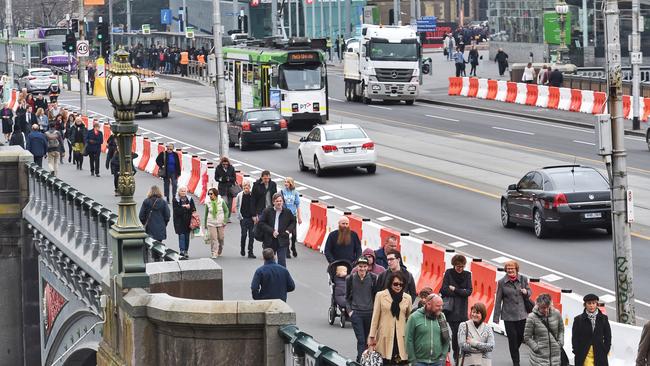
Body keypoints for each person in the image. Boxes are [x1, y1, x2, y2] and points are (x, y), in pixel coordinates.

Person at [493, 260, 533, 366]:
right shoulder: (502, 282)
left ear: (516, 269)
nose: (510, 270)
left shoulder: (523, 279)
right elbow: (498, 300)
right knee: (512, 339)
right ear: (506, 270)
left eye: (512, 268)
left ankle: (514, 350)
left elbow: (530, 292)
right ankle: (516, 362)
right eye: (508, 268)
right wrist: (496, 317)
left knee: (520, 337)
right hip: (508, 316)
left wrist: (526, 292)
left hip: (522, 315)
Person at [368, 271, 412, 365]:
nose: (398, 286)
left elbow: (410, 318)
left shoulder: (407, 298)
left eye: (401, 284)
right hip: (385, 336)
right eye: (395, 284)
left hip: (401, 337)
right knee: (386, 361)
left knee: (400, 362)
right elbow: (375, 317)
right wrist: (371, 336)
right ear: (390, 283)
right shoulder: (380, 295)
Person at [440, 254, 473, 364]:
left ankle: (458, 353)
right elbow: (443, 289)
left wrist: (455, 289)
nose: (460, 268)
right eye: (458, 266)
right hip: (451, 310)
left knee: (461, 333)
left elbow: (469, 291)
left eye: (462, 266)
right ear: (454, 265)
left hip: (462, 310)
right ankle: (456, 353)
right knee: (456, 332)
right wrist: (460, 292)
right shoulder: (449, 273)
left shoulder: (468, 275)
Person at [346, 256, 378, 362]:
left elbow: (376, 295)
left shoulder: (373, 278)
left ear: (368, 267)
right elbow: (347, 298)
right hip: (357, 314)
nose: (362, 269)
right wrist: (350, 312)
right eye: (360, 267)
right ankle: (361, 361)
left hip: (370, 313)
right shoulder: (350, 279)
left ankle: (363, 358)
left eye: (364, 266)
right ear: (357, 267)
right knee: (361, 339)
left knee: (368, 340)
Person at [405, 294, 452, 366]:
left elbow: (446, 338)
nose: (441, 308)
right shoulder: (414, 317)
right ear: (428, 304)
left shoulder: (442, 316)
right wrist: (412, 360)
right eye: (438, 306)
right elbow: (408, 339)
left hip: (437, 362)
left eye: (442, 305)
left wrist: (443, 357)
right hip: (419, 362)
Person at [524, 293, 565, 366]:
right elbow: (527, 337)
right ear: (538, 305)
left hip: (555, 356)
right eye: (543, 307)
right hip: (539, 358)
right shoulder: (532, 317)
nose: (546, 310)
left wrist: (560, 343)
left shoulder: (556, 314)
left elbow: (561, 330)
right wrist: (536, 348)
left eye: (547, 307)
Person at [257, 193, 296, 268]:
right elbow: (261, 223)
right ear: (273, 202)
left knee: (282, 262)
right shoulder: (267, 211)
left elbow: (293, 221)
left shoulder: (287, 212)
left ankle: (282, 278)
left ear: (283, 202)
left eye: (280, 201)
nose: (279, 203)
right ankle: (268, 278)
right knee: (269, 263)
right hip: (269, 240)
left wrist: (288, 231)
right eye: (277, 201)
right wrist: (272, 231)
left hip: (282, 240)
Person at [572, 294, 611, 366]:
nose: (591, 305)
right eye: (589, 303)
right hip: (584, 353)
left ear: (597, 304)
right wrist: (577, 351)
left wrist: (605, 349)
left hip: (599, 353)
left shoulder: (603, 318)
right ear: (585, 305)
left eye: (593, 303)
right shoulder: (578, 320)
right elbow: (575, 337)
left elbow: (608, 336)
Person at [203, 188, 230, 258]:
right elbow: (205, 214)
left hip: (220, 223)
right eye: (209, 194)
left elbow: (226, 211)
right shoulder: (207, 202)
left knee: (221, 238)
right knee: (213, 238)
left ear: (215, 194)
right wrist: (205, 224)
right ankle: (214, 252)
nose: (210, 195)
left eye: (211, 194)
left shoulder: (221, 201)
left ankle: (220, 248)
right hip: (211, 223)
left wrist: (225, 220)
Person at [234, 181, 257, 258]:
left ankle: (250, 252)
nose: (246, 189)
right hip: (243, 218)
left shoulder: (253, 195)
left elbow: (256, 206)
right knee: (244, 235)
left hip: (251, 219)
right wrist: (239, 216)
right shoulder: (240, 195)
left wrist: (255, 216)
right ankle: (242, 249)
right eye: (244, 187)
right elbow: (237, 206)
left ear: (250, 188)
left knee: (251, 236)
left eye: (247, 187)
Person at [172, 186, 196, 258]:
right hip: (179, 221)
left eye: (184, 191)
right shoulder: (175, 199)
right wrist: (185, 207)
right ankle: (182, 251)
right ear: (179, 192)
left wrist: (189, 208)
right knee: (181, 236)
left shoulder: (190, 199)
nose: (183, 192)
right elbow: (176, 211)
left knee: (186, 237)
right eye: (182, 191)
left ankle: (186, 251)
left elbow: (194, 209)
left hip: (188, 221)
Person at [281, 177, 301, 258]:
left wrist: (299, 217)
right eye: (285, 182)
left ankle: (293, 246)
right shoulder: (282, 192)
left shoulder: (295, 193)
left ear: (291, 183)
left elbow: (298, 205)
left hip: (293, 215)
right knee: (286, 233)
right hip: (285, 215)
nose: (286, 183)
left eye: (287, 182)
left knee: (294, 234)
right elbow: (279, 203)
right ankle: (287, 250)